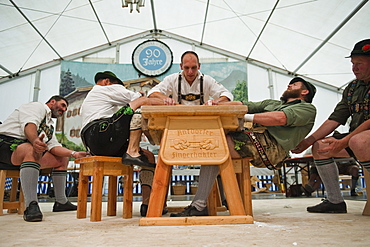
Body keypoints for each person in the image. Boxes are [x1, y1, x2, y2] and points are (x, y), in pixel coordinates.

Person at [170, 77, 317, 216]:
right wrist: (216, 105)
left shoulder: (307, 108)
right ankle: (221, 201)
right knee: (214, 141)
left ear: (305, 92)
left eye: (295, 84)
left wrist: (243, 117)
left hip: (272, 148)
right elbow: (243, 105)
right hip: (256, 138)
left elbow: (280, 118)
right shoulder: (273, 103)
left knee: (216, 146)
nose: (289, 85)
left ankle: (201, 205)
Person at [292, 39, 370, 213]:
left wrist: (344, 142)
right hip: (356, 137)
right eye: (352, 63)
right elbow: (335, 118)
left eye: (359, 64)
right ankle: (335, 201)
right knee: (320, 147)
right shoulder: (352, 88)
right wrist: (308, 141)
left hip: (363, 138)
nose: (354, 68)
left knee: (358, 141)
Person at [80, 71, 167, 217]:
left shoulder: (93, 100)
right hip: (100, 132)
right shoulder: (104, 88)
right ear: (107, 81)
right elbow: (140, 99)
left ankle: (147, 205)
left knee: (148, 157)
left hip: (96, 143)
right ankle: (132, 151)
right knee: (139, 105)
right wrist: (170, 103)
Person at [0, 95, 88, 222]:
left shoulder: (49, 126)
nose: (63, 110)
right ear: (52, 102)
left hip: (27, 150)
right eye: (62, 105)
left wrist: (74, 153)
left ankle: (61, 202)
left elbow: (54, 147)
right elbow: (29, 124)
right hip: (5, 144)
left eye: (65, 108)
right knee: (32, 149)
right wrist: (35, 140)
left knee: (62, 159)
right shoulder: (37, 106)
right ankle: (31, 206)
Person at [147, 51, 233, 105]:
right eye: (186, 68)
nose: (190, 72)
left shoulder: (207, 80)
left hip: (203, 119)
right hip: (177, 119)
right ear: (181, 66)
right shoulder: (172, 79)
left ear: (199, 66)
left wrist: (216, 101)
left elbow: (227, 95)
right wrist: (166, 99)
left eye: (194, 68)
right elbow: (152, 93)